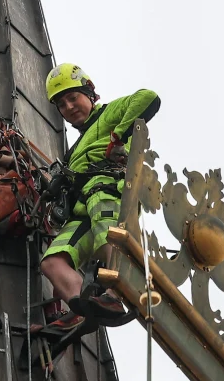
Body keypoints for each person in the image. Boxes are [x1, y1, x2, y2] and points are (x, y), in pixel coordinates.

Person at [38, 63, 160, 329]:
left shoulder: (108, 114)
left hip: (107, 191)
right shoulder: (73, 150)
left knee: (108, 234)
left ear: (91, 95)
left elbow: (147, 97)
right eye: (62, 104)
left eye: (73, 98)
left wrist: (118, 137)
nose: (69, 107)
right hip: (82, 208)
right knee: (52, 262)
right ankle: (83, 306)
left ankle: (115, 295)